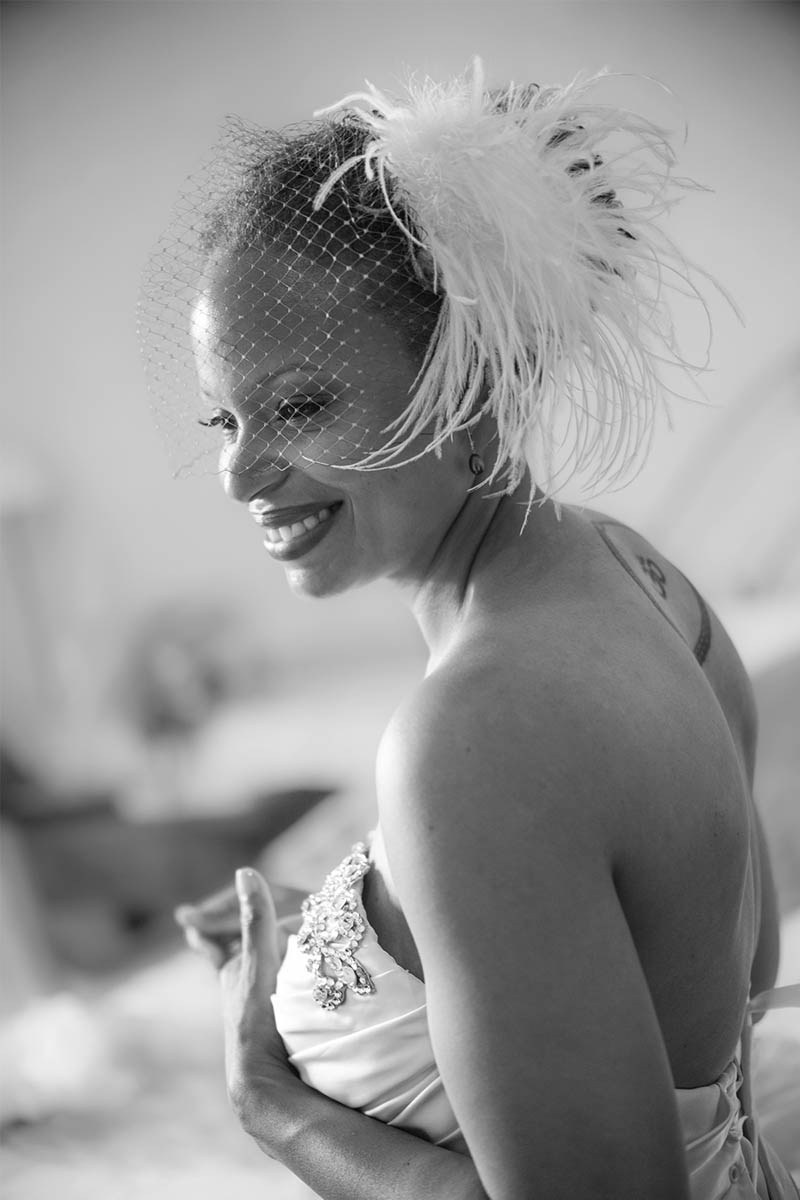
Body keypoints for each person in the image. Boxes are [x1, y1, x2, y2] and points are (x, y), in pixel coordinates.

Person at [144, 61, 799, 1200]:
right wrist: (358, 944)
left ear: (473, 385)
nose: (238, 471)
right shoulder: (637, 578)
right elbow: (716, 972)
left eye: (297, 405)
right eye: (225, 415)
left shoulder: (479, 733)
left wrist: (276, 1111)